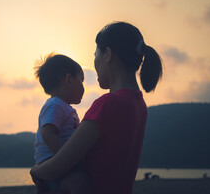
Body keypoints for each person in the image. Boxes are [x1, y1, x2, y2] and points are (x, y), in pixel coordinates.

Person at [31, 21, 163, 194]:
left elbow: (58, 166)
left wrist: (35, 171)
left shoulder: (108, 104)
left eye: (95, 55)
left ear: (107, 54)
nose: (94, 63)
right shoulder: (139, 104)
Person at [33, 53, 91, 194]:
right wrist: (67, 157)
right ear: (69, 79)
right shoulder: (55, 105)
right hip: (53, 160)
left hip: (59, 161)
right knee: (79, 183)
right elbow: (48, 134)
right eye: (81, 81)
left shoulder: (64, 107)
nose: (84, 87)